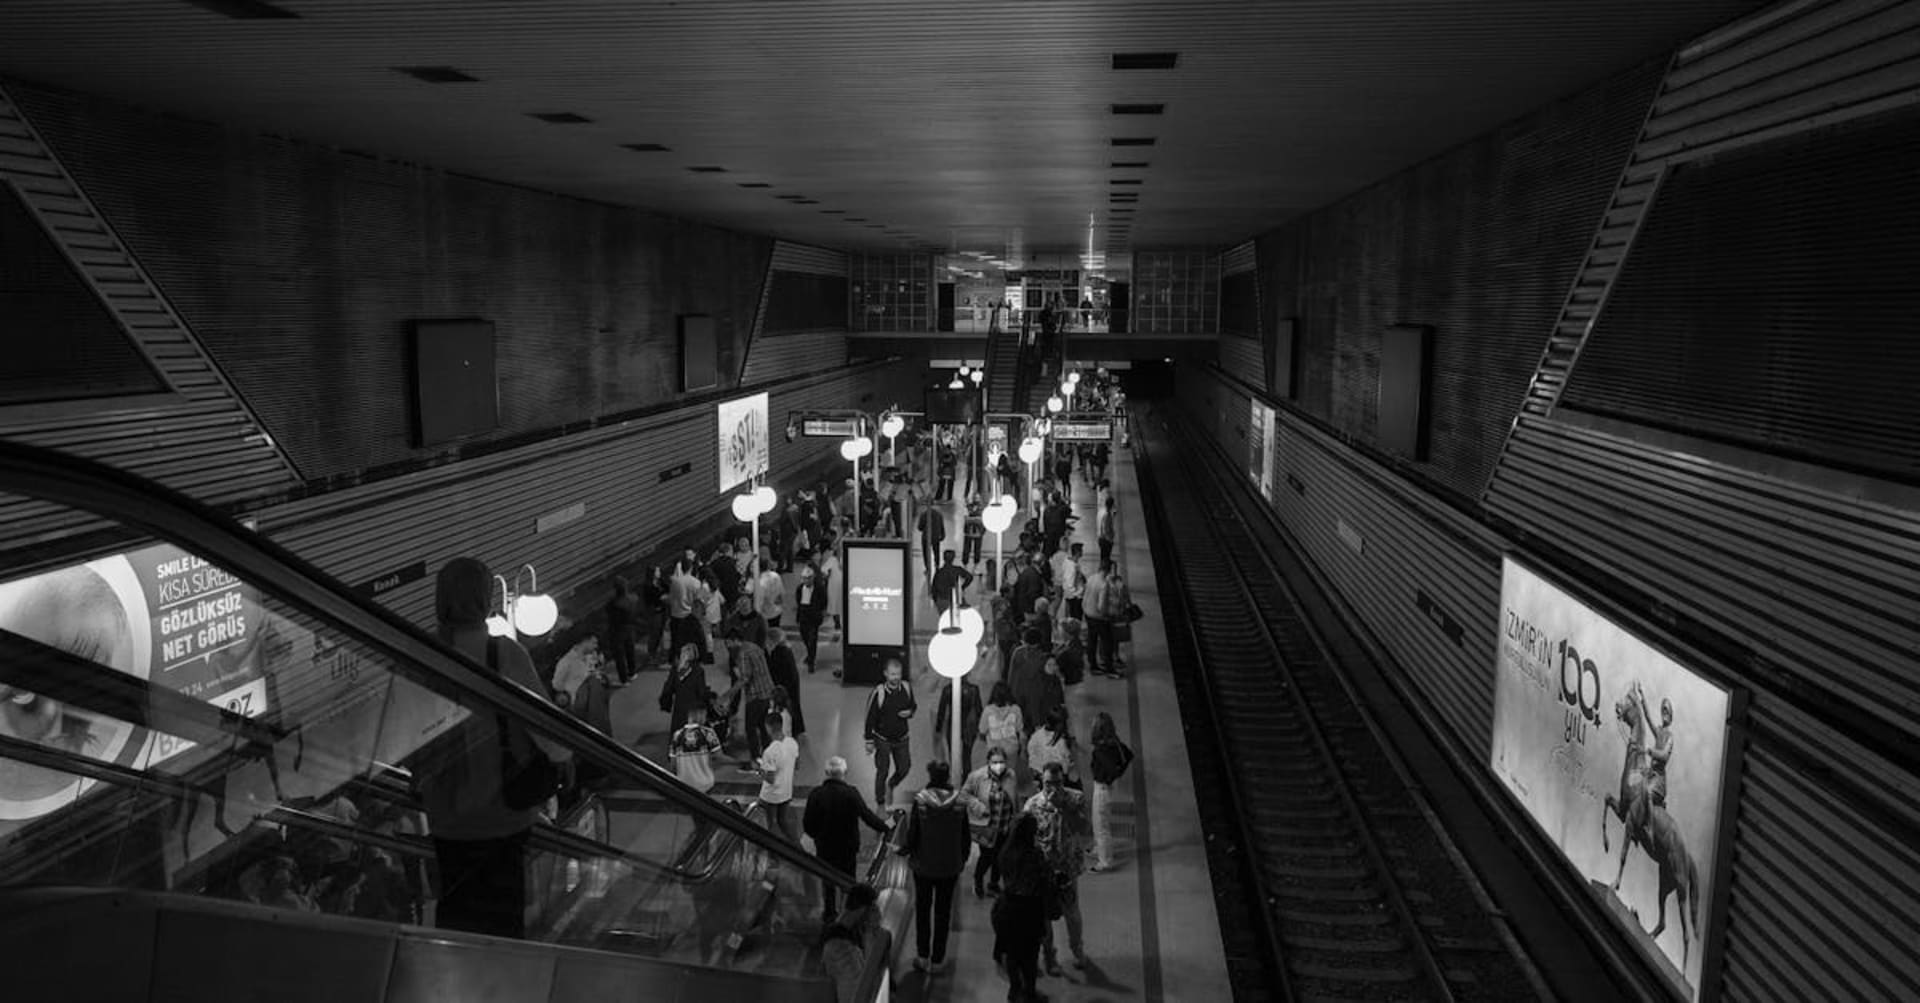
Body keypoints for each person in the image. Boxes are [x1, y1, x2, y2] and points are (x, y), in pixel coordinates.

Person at [417, 557, 572, 940]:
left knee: (457, 911)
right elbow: (549, 734)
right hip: (502, 812)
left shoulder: (419, 655)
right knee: (502, 919)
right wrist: (565, 759)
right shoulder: (504, 653)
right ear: (485, 598)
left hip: (445, 817)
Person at [899, 761, 975, 973]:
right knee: (943, 912)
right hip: (949, 866)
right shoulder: (960, 799)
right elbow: (965, 835)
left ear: (930, 775)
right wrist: (962, 858)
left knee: (923, 911)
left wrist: (904, 850)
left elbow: (913, 834)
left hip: (923, 866)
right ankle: (938, 959)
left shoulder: (921, 800)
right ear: (948, 775)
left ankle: (922, 956)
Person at [804, 755, 893, 921]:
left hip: (824, 847)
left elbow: (808, 825)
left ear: (826, 773)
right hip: (848, 847)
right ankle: (848, 913)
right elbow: (867, 816)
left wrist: (818, 836)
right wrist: (886, 827)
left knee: (828, 881)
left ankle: (829, 913)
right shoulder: (851, 793)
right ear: (844, 773)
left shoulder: (816, 794)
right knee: (848, 881)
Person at [1024, 762, 1090, 973]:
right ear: (1041, 782)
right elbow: (1025, 838)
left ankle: (1077, 950)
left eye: (1057, 782)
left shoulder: (1075, 798)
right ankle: (1049, 957)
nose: (1052, 787)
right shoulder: (1032, 805)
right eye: (1048, 783)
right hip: (1044, 872)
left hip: (1068, 868)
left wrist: (1063, 806)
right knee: (1043, 916)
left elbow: (1084, 828)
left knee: (1071, 912)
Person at [992, 814, 1050, 1001]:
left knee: (1012, 952)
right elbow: (1044, 881)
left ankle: (1014, 988)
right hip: (1030, 910)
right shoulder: (1035, 855)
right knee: (1030, 955)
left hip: (1007, 907)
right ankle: (1030, 992)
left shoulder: (1006, 852)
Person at [962, 746, 1017, 898]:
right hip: (986, 825)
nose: (999, 765)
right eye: (995, 762)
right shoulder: (977, 776)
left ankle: (994, 884)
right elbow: (964, 794)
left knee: (1001, 856)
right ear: (988, 762)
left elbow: (1014, 797)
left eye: (1001, 762)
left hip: (1004, 823)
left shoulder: (1011, 775)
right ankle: (978, 878)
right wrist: (978, 806)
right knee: (987, 855)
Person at [864, 658, 917, 808]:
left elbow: (913, 705)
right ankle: (880, 800)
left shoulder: (906, 687)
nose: (896, 677)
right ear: (885, 674)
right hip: (882, 739)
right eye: (893, 674)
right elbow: (869, 717)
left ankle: (891, 784)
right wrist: (869, 741)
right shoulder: (878, 692)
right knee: (882, 770)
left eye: (898, 674)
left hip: (902, 738)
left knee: (904, 768)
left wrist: (910, 712)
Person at [1087, 712, 1135, 873]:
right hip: (1106, 788)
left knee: (1101, 826)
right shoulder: (1115, 743)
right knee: (1098, 820)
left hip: (1102, 788)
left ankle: (1105, 860)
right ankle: (1098, 849)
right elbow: (1128, 755)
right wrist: (1118, 773)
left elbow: (1112, 769)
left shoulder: (1100, 750)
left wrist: (1110, 775)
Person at [821, 883, 883, 1003]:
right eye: (873, 908)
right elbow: (859, 993)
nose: (878, 914)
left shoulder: (848, 930)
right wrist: (870, 932)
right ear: (863, 909)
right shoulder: (841, 951)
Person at [722, 628, 776, 758]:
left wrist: (727, 695)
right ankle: (769, 754)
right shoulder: (753, 646)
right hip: (767, 691)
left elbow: (745, 678)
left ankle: (755, 758)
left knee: (750, 728)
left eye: (728, 643)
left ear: (736, 641)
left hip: (755, 695)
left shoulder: (743, 653)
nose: (727, 647)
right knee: (762, 725)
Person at [749, 711, 801, 844]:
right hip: (786, 791)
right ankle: (798, 847)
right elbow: (797, 765)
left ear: (768, 727)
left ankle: (773, 853)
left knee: (769, 824)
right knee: (783, 822)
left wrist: (758, 769)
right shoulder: (792, 743)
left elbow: (770, 779)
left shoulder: (770, 751)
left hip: (770, 795)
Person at [933, 668, 983, 778]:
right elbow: (979, 710)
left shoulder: (948, 690)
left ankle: (955, 777)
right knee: (967, 755)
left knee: (953, 754)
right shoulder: (974, 689)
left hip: (953, 724)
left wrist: (938, 728)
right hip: (969, 726)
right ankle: (966, 780)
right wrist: (981, 729)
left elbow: (942, 711)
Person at [658, 643, 711, 736]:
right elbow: (701, 692)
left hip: (679, 710)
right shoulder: (698, 670)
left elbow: (668, 689)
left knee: (678, 735)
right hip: (693, 711)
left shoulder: (676, 670)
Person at [669, 703, 722, 794]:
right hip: (705, 785)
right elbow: (719, 756)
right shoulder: (708, 733)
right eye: (705, 715)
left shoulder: (677, 735)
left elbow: (673, 766)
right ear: (699, 715)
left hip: (684, 786)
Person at [766, 627, 806, 740]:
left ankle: (792, 730)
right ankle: (799, 729)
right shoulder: (786, 649)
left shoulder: (778, 653)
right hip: (792, 683)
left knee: (789, 708)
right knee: (795, 706)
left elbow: (774, 671)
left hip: (785, 685)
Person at [979, 681, 1025, 779]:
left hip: (994, 750)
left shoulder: (988, 711)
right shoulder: (1016, 709)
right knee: (1010, 777)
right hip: (1011, 749)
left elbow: (982, 731)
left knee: (994, 777)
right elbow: (1019, 729)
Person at [1025, 705, 1076, 788]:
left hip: (1040, 778)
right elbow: (1066, 767)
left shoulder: (1035, 737)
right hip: (1057, 778)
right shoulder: (1061, 742)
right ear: (1060, 724)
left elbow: (1031, 760)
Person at [793, 561, 829, 673]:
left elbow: (824, 601)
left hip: (814, 616)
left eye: (808, 578)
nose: (806, 581)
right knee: (804, 636)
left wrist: (820, 612)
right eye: (804, 578)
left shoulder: (819, 588)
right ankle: (809, 654)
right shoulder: (800, 588)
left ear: (813, 578)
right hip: (803, 614)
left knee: (812, 639)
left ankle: (811, 661)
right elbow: (798, 601)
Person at [604, 575, 640, 684]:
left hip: (616, 631)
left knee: (619, 656)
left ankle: (623, 680)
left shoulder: (612, 603)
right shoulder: (633, 599)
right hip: (629, 628)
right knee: (630, 651)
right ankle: (632, 673)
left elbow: (608, 613)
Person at [930, 549, 974, 619]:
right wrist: (962, 587)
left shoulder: (940, 572)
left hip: (942, 599)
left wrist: (936, 600)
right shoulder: (957, 570)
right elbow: (970, 577)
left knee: (945, 619)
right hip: (955, 598)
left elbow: (934, 588)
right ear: (953, 558)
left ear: (944, 558)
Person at [916, 502, 948, 587]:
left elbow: (919, 527)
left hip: (926, 537)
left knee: (926, 553)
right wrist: (942, 534)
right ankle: (937, 565)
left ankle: (927, 567)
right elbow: (942, 525)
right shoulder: (939, 514)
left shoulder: (924, 514)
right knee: (936, 551)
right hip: (936, 536)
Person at [962, 499, 986, 568]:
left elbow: (982, 520)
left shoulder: (982, 509)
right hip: (969, 533)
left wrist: (971, 519)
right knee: (967, 549)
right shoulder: (967, 508)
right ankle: (965, 564)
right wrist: (977, 519)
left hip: (977, 533)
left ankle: (976, 564)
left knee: (977, 550)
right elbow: (966, 520)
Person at [1096, 495, 1118, 567]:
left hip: (1100, 538)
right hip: (1106, 540)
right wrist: (1110, 540)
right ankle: (1104, 571)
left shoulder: (1101, 511)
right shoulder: (1107, 515)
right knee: (1106, 558)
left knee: (1103, 557)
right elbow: (1105, 529)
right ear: (1112, 505)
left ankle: (1102, 568)